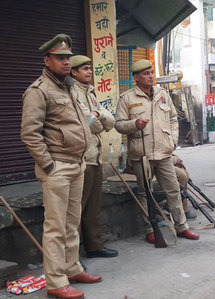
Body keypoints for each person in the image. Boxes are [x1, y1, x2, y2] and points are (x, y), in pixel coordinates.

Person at [20, 34, 101, 299]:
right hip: (57, 167)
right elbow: (30, 133)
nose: (66, 62)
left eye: (68, 57)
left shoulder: (69, 87)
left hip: (76, 163)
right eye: (60, 58)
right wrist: (48, 165)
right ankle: (56, 282)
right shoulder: (39, 91)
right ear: (47, 60)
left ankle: (72, 268)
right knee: (55, 226)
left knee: (70, 222)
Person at [114, 59, 199, 244]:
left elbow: (174, 119)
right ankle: (149, 229)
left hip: (163, 152)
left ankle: (182, 227)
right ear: (136, 77)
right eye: (145, 73)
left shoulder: (162, 94)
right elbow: (119, 125)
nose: (150, 75)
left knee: (174, 190)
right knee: (145, 193)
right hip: (141, 154)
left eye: (151, 72)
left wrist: (172, 140)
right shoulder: (127, 98)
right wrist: (134, 124)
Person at [70, 55, 118, 259]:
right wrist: (97, 118)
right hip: (83, 157)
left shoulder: (90, 93)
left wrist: (97, 116)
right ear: (73, 72)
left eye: (90, 68)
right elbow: (90, 123)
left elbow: (110, 120)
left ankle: (95, 246)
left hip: (96, 155)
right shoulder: (72, 92)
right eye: (84, 69)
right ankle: (73, 256)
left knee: (94, 206)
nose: (89, 72)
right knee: (76, 209)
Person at [172, 155, 197, 220]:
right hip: (157, 162)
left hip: (165, 159)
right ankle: (183, 209)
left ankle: (181, 205)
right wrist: (174, 160)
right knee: (181, 175)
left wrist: (176, 158)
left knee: (183, 172)